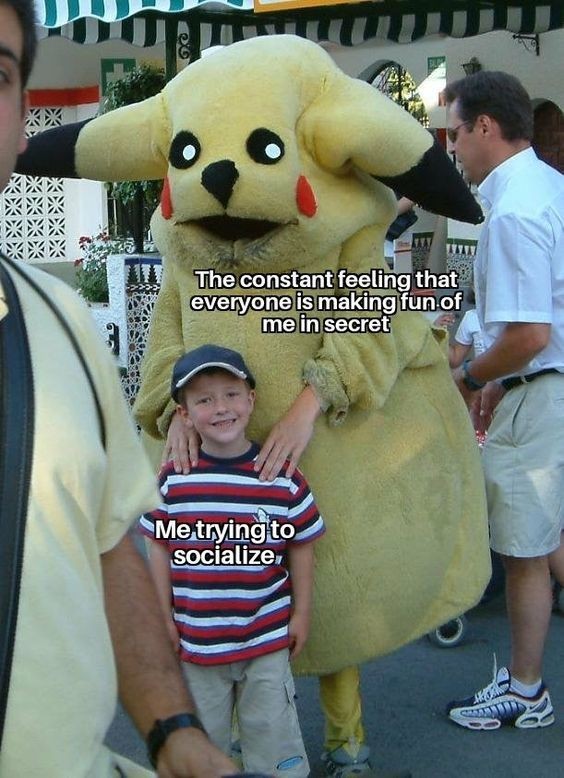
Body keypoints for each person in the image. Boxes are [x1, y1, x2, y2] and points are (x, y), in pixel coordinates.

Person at [0, 2, 236, 774]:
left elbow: (107, 546)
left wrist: (173, 729)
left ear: (21, 119)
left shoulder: (63, 320)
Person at [140, 344, 326, 777]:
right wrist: (162, 617)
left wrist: (302, 613)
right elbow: (158, 547)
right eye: (204, 400)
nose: (221, 408)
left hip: (266, 640)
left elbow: (302, 544)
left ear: (251, 399)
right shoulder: (174, 479)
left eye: (231, 394)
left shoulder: (281, 476)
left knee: (273, 742)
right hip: (196, 645)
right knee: (203, 749)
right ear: (184, 414)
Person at [443, 70, 564, 730]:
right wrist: (495, 375)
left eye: (455, 132)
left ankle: (526, 689)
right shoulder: (549, 186)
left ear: (485, 126)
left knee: (524, 553)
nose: (452, 147)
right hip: (544, 389)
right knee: (545, 541)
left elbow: (529, 335)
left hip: (539, 393)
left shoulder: (514, 210)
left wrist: (470, 378)